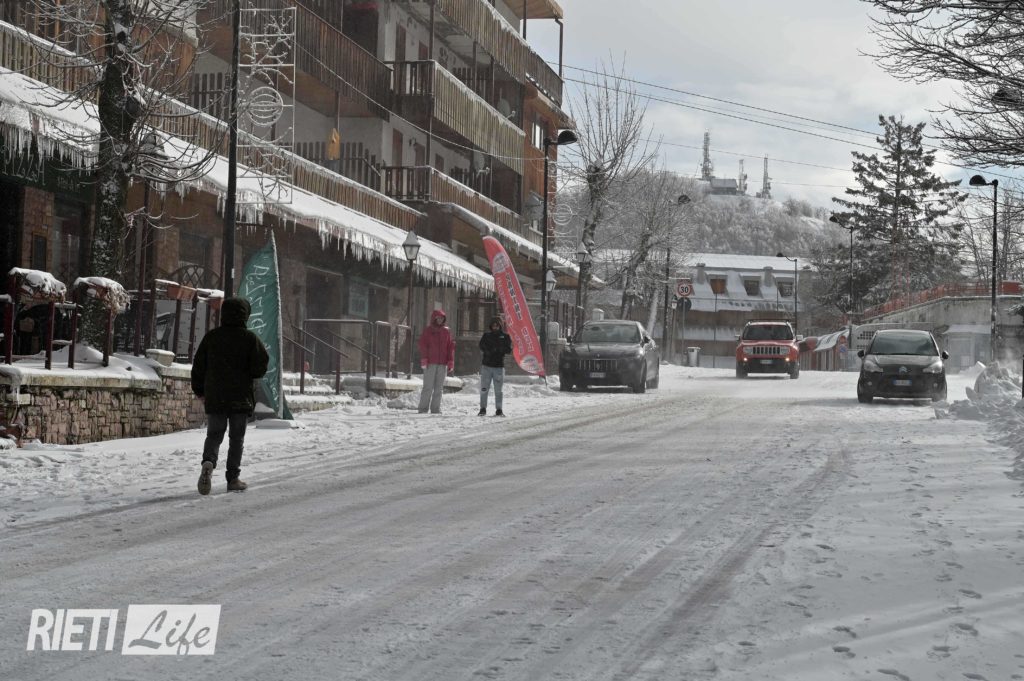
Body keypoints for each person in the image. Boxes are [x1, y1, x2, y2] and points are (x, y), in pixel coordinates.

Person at [191, 297, 269, 495]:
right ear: (245, 315)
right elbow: (260, 367)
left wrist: (200, 391)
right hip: (240, 398)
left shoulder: (212, 337)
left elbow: (198, 366)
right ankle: (233, 478)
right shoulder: (250, 339)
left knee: (214, 435)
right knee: (236, 439)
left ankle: (209, 461)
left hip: (215, 396)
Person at [417, 308, 455, 414]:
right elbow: (423, 345)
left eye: (442, 318)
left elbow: (450, 347)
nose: (440, 320)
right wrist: (424, 358)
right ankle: (423, 409)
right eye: (438, 318)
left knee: (439, 388)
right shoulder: (428, 330)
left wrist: (450, 361)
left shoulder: (446, 331)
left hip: (442, 364)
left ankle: (435, 409)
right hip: (430, 363)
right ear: (434, 318)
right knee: (428, 387)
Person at [478, 316, 512, 416]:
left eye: (497, 325)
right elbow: (481, 346)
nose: (495, 327)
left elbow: (509, 349)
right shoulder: (486, 336)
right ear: (491, 326)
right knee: (484, 388)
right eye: (493, 325)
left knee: (498, 390)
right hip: (486, 366)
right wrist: (488, 351)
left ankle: (499, 409)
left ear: (500, 326)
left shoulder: (505, 337)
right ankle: (483, 408)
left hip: (498, 367)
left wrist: (499, 349)